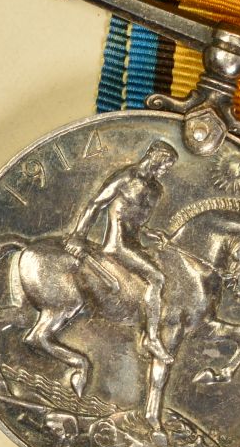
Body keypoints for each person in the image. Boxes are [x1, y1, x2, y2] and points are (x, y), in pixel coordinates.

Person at [65, 140, 178, 362]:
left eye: (169, 167)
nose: (166, 170)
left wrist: (151, 233)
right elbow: (95, 204)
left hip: (136, 243)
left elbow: (136, 222)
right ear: (154, 156)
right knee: (157, 278)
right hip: (117, 245)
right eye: (165, 164)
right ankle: (152, 338)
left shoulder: (157, 189)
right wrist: (79, 235)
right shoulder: (126, 177)